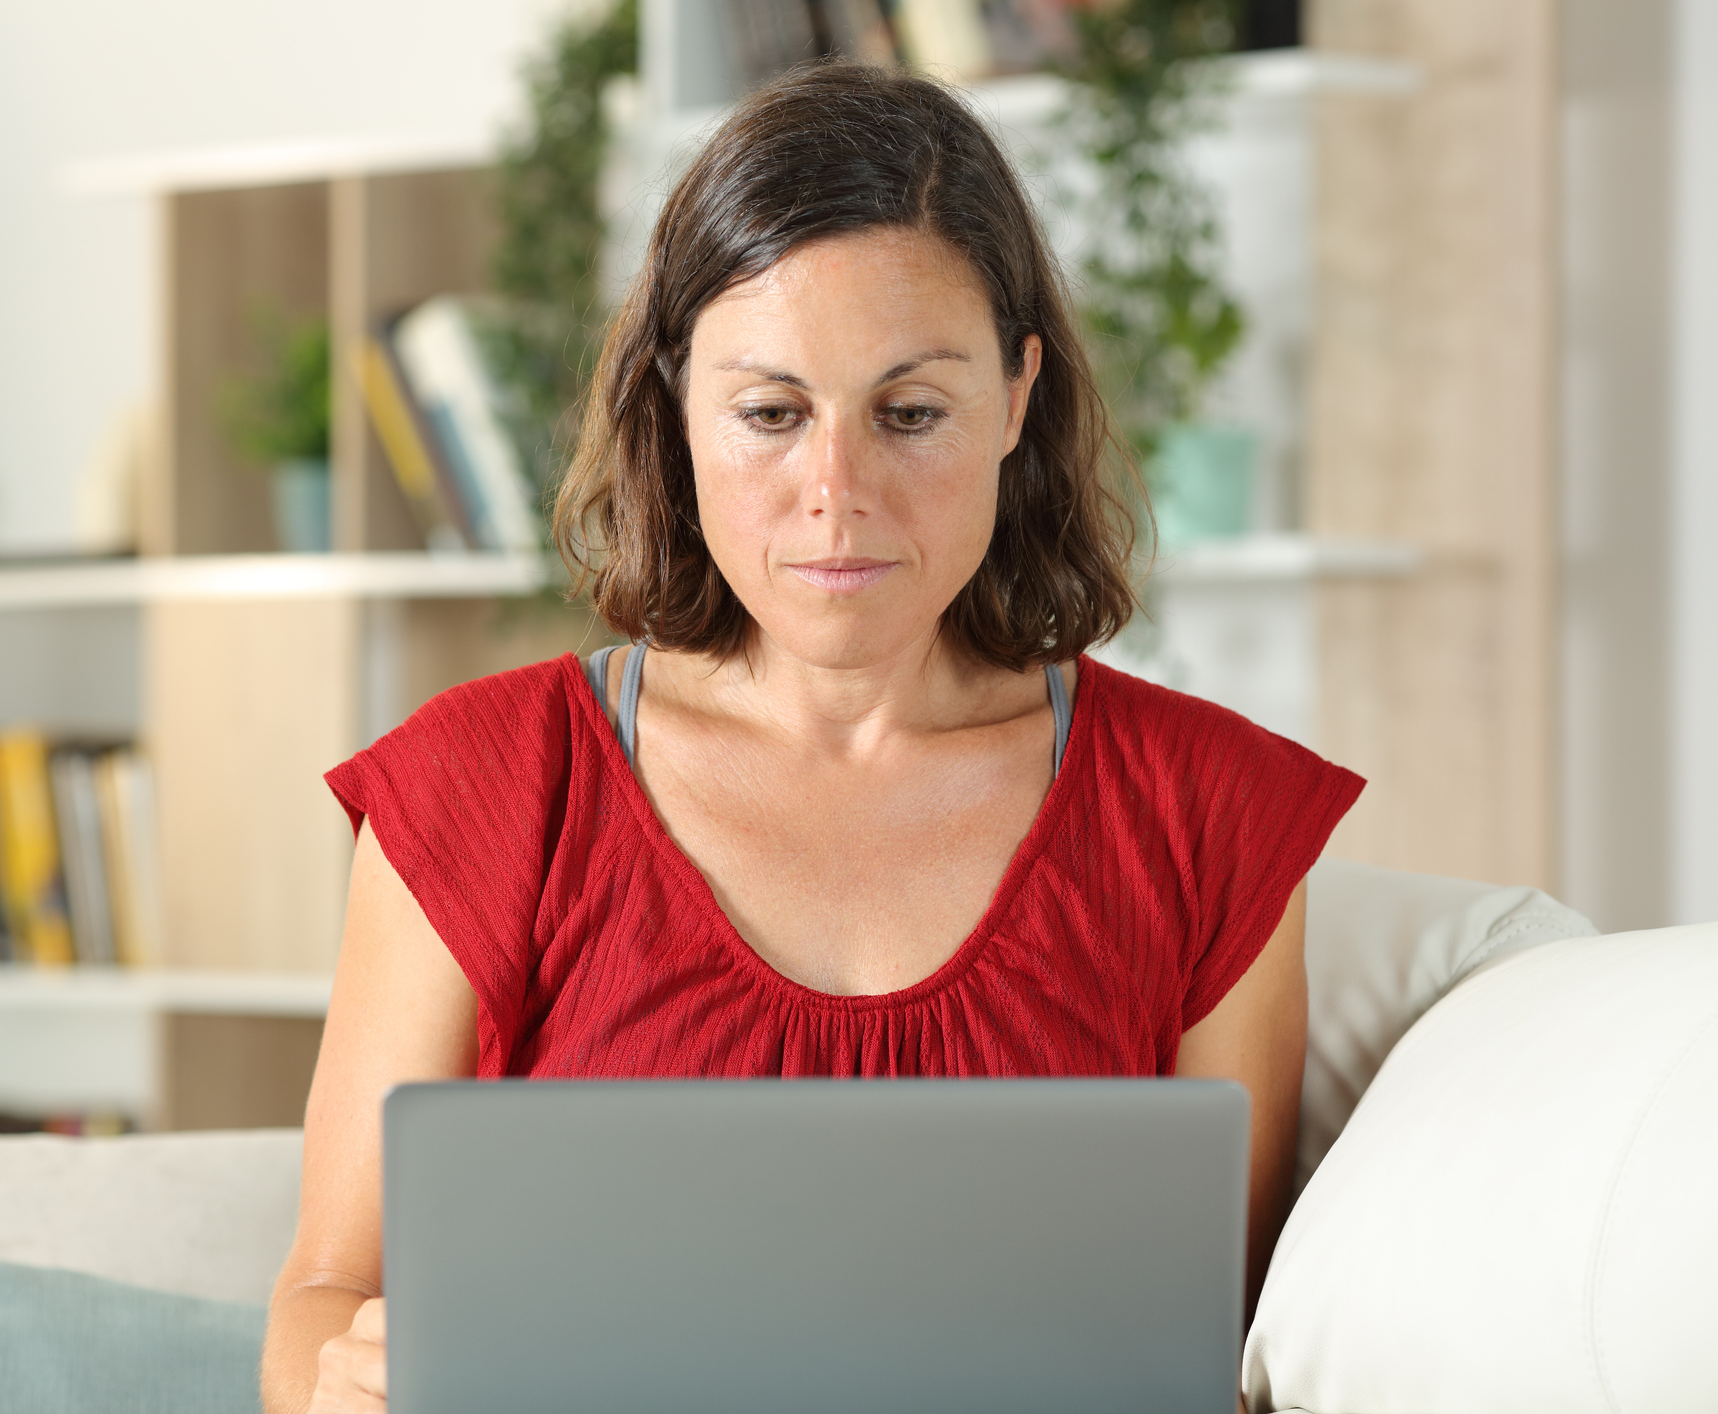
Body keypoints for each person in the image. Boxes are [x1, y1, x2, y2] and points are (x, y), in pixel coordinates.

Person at [260, 61, 1362, 1414]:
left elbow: (1219, 1335)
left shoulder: (1212, 814)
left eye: (909, 414)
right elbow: (322, 1291)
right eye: (770, 413)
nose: (834, 495)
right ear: (675, 402)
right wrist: (346, 1384)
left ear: (1016, 399)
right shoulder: (485, 785)